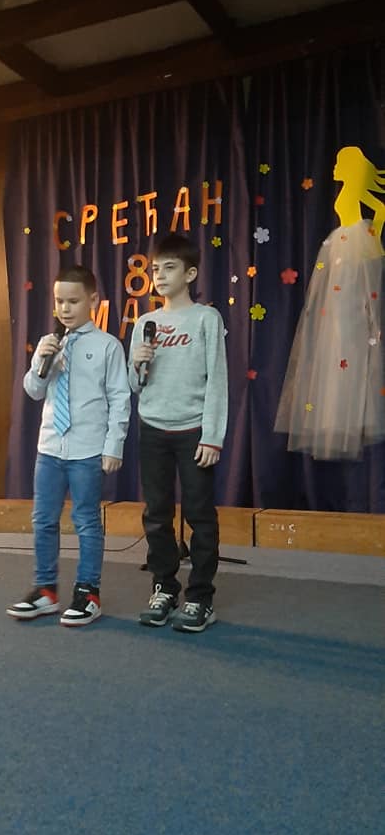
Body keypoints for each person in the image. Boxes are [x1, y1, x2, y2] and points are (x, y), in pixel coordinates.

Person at [6, 264, 130, 626]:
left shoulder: (107, 346)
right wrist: (42, 362)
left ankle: (88, 593)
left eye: (73, 301)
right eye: (59, 301)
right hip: (50, 447)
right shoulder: (49, 342)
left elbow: (120, 398)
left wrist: (114, 445)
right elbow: (33, 391)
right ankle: (46, 591)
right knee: (43, 520)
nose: (64, 308)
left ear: (93, 300)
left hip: (87, 449)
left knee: (86, 521)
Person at [129, 233, 228, 633]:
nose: (159, 275)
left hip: (193, 430)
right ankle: (164, 588)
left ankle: (200, 597)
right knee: (156, 515)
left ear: (190, 273)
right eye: (155, 269)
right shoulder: (145, 323)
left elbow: (217, 379)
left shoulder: (206, 318)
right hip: (152, 428)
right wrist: (137, 363)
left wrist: (212, 436)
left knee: (199, 515)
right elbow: (136, 386)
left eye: (169, 268)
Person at [274, 146, 385, 459]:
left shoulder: (355, 192)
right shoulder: (348, 192)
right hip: (341, 252)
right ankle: (337, 406)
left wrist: (373, 238)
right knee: (333, 330)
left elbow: (380, 209)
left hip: (352, 250)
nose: (334, 168)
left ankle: (351, 406)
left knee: (351, 325)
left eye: (339, 164)